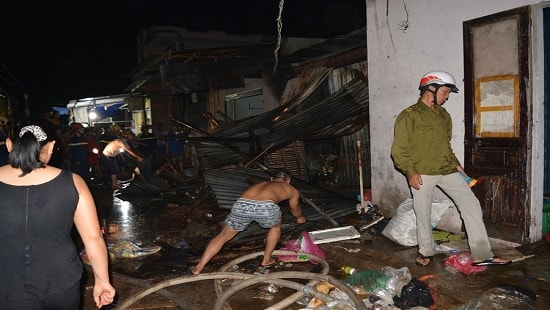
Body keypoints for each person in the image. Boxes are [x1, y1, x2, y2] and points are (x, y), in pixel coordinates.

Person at [390, 70, 510, 267]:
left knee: (471, 204)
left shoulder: (444, 115)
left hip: (446, 169)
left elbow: (445, 144)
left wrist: (457, 166)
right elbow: (399, 149)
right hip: (422, 173)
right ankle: (426, 252)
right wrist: (409, 170)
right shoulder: (409, 116)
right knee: (423, 213)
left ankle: (482, 254)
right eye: (445, 92)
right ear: (431, 88)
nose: (447, 97)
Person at [0, 121, 115, 309]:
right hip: (62, 280)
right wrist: (102, 280)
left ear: (9, 145)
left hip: (8, 285)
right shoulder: (73, 182)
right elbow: (93, 238)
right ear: (51, 147)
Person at [191, 169, 307, 275]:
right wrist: (300, 218)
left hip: (241, 204)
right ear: (288, 180)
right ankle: (266, 259)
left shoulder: (260, 184)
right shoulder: (291, 189)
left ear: (272, 179)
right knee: (276, 226)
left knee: (223, 235)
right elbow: (295, 210)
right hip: (265, 206)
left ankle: (199, 266)